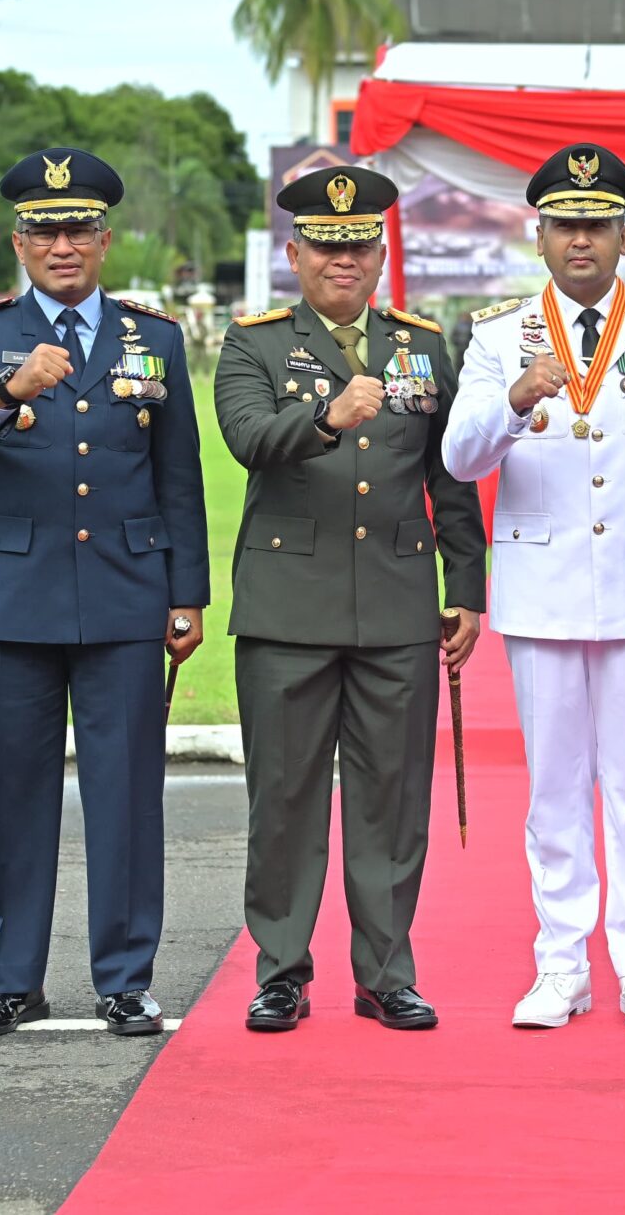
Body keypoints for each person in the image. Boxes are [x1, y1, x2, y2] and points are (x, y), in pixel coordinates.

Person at [441, 144, 625, 1031]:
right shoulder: (497, 337)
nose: (580, 240)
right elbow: (458, 458)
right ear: (538, 235)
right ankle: (561, 962)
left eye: (596, 225)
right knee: (554, 788)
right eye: (565, 224)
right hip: (542, 584)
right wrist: (514, 399)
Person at [0, 147, 206, 1039]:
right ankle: (12, 980)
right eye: (45, 230)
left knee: (126, 795)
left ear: (106, 238)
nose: (63, 245)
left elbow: (179, 475)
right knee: (11, 797)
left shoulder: (151, 337)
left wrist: (186, 593)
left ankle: (125, 978)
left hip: (125, 593)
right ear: (18, 241)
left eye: (78, 228)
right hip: (12, 598)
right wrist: (11, 387)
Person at [214, 165, 486, 1033]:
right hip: (287, 609)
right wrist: (330, 416)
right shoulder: (252, 343)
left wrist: (465, 586)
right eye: (326, 245)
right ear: (294, 252)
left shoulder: (421, 344)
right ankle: (282, 972)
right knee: (286, 799)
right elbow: (249, 439)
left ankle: (385, 973)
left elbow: (448, 478)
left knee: (392, 800)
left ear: (380, 253)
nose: (344, 259)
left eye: (359, 245)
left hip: (399, 606)